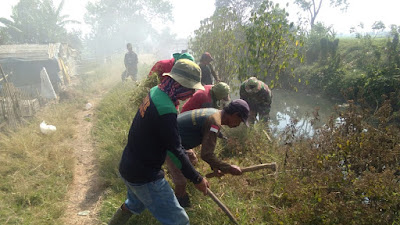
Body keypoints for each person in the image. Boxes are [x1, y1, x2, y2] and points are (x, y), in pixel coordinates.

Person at [108, 59, 210, 225]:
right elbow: (176, 150)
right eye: (190, 88)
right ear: (179, 84)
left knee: (134, 204)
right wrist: (197, 179)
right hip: (145, 175)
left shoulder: (157, 91)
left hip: (129, 165)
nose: (192, 94)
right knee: (179, 221)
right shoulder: (166, 110)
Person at [166, 99, 250, 207]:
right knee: (181, 181)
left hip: (178, 138)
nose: (239, 124)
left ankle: (185, 175)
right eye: (240, 120)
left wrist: (215, 166)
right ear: (235, 115)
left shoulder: (215, 112)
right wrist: (228, 168)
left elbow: (207, 145)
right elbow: (206, 154)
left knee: (192, 160)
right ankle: (180, 205)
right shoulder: (214, 123)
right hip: (169, 143)